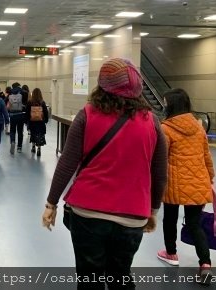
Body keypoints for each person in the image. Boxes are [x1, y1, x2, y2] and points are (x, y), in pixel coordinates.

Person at [41, 58, 167, 290]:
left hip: (87, 212)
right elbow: (160, 172)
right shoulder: (152, 122)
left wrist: (51, 203)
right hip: (132, 215)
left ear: (102, 85)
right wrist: (153, 210)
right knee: (120, 275)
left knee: (89, 280)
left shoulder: (87, 114)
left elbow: (67, 163)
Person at [157, 88, 215, 282]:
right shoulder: (199, 127)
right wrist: (210, 178)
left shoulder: (166, 128)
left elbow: (161, 159)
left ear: (171, 105)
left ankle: (171, 253)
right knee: (194, 224)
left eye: (165, 103)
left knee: (170, 219)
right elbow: (207, 156)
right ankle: (205, 263)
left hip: (174, 183)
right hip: (198, 182)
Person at [26, 88, 49, 157]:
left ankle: (33, 147)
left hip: (32, 122)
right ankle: (39, 148)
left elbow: (27, 113)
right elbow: (46, 112)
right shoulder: (42, 102)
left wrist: (27, 120)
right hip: (40, 122)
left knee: (33, 133)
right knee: (40, 134)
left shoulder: (30, 102)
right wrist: (46, 120)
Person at [7, 82, 26, 154]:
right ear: (19, 86)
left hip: (12, 115)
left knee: (12, 130)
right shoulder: (23, 92)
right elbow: (25, 102)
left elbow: (6, 101)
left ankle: (12, 142)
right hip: (20, 114)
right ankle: (19, 147)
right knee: (20, 131)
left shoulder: (10, 93)